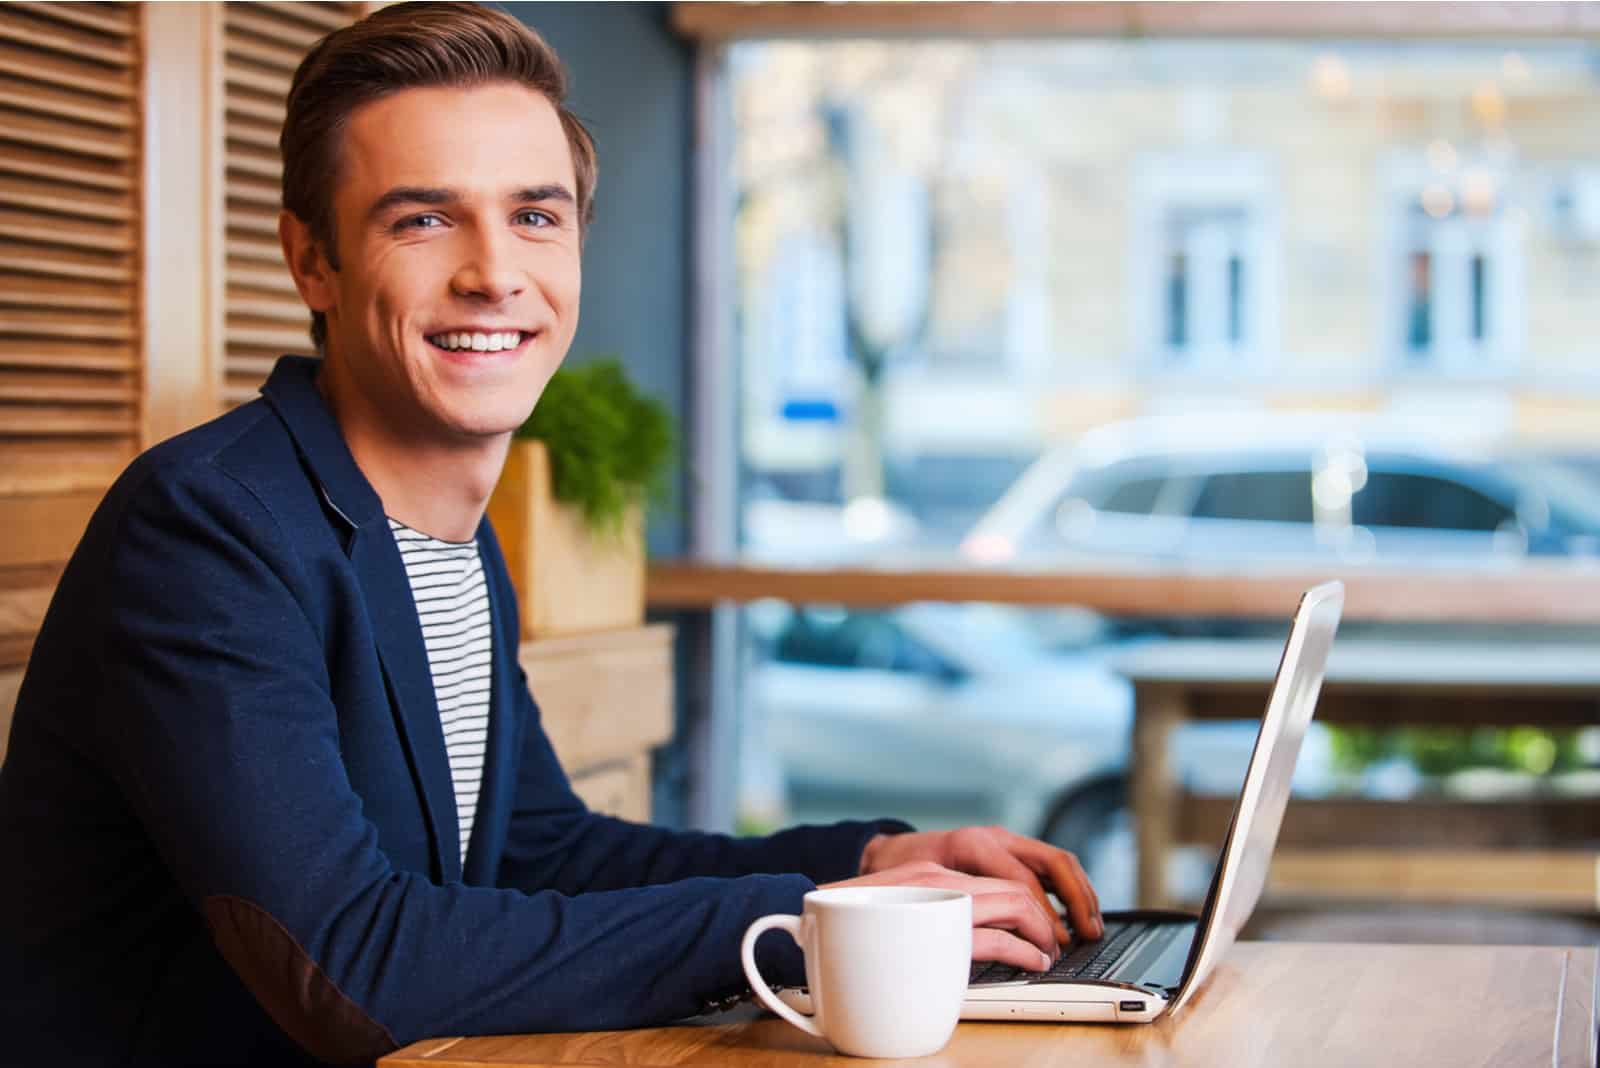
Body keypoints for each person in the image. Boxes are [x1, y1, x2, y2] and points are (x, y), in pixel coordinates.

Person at [0, 4, 1100, 1065]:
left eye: (534, 215)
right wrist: (810, 920)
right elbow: (347, 965)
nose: (493, 271)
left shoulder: (448, 537)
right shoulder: (208, 529)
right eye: (423, 217)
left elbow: (540, 850)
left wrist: (863, 862)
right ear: (313, 262)